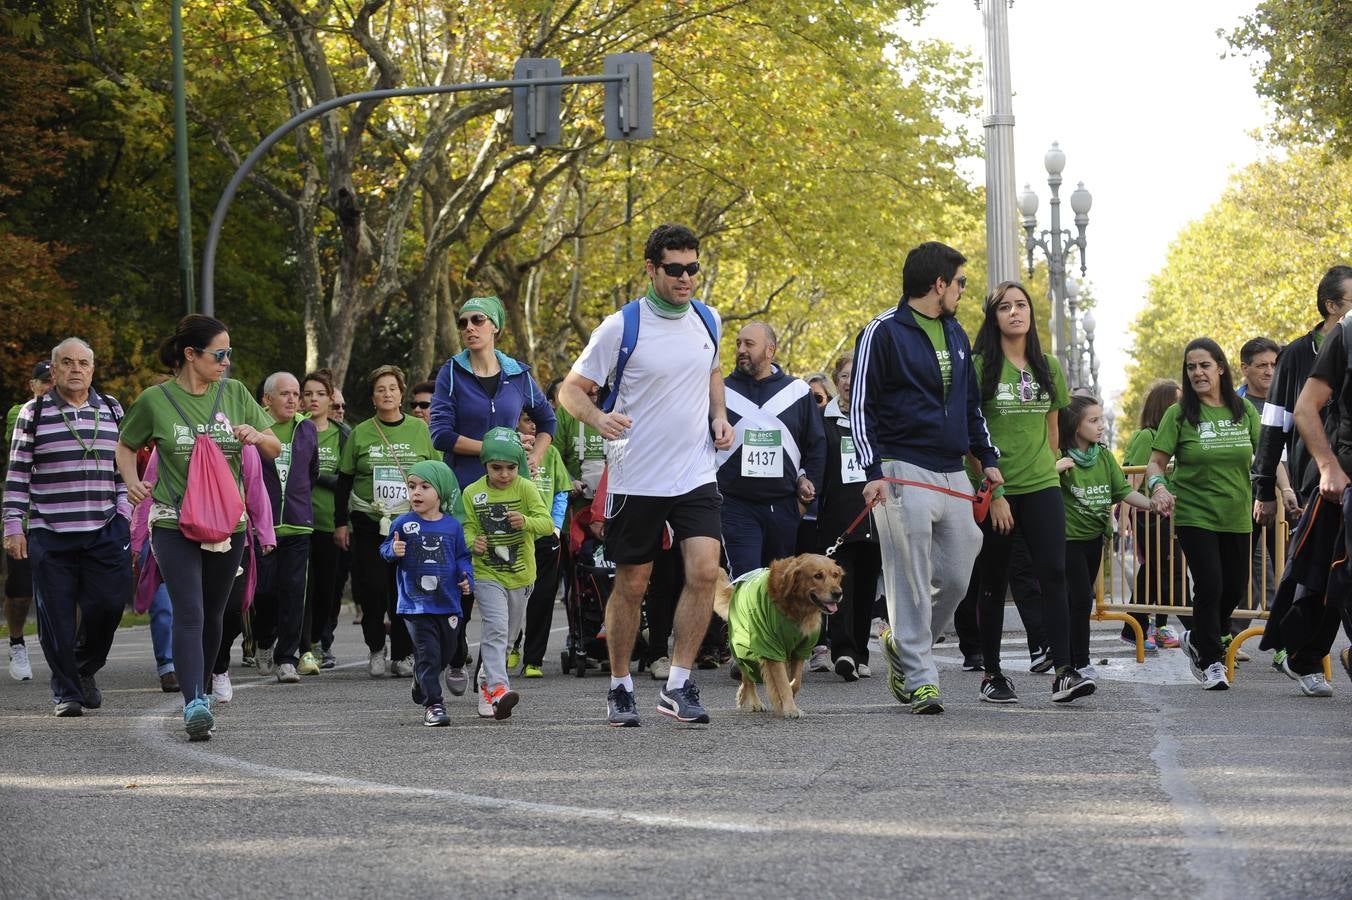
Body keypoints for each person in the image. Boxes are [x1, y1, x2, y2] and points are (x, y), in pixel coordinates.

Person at [559, 222, 733, 727]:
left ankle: (678, 683)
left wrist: (719, 417)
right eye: (674, 270)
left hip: (697, 471)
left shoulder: (708, 319)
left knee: (704, 572)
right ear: (652, 269)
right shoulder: (621, 326)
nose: (685, 279)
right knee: (632, 584)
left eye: (693, 269)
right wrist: (598, 418)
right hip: (637, 475)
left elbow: (712, 371)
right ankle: (619, 686)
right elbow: (571, 390)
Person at [850, 241, 1004, 715]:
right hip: (901, 469)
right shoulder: (882, 331)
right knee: (909, 577)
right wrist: (873, 471)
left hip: (952, 469)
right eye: (959, 282)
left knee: (959, 573)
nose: (962, 291)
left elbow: (970, 404)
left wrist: (986, 454)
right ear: (939, 283)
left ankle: (902, 640)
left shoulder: (957, 332)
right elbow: (861, 406)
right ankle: (920, 678)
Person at [116, 315, 280, 740]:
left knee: (215, 613)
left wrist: (255, 436)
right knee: (188, 609)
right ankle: (194, 703)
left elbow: (275, 445)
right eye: (219, 354)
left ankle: (202, 690)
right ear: (191, 354)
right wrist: (133, 482)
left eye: (229, 353)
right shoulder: (155, 399)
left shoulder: (237, 393)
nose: (226, 361)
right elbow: (126, 445)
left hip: (230, 522)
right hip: (172, 520)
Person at [966, 281, 1089, 706]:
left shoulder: (1048, 366)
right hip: (996, 490)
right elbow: (970, 436)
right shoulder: (979, 366)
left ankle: (1064, 671)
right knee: (994, 582)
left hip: (1042, 485)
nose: (1015, 313)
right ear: (993, 316)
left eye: (1021, 305)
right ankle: (992, 674)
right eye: (1005, 307)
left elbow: (1053, 430)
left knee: (1054, 574)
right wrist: (992, 490)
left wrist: (1044, 470)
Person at [429, 294, 556, 685]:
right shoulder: (451, 373)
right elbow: (440, 434)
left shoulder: (518, 374)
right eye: (463, 321)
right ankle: (455, 655)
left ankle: (492, 670)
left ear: (495, 327)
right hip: (464, 492)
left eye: (478, 320)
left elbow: (547, 419)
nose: (469, 327)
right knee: (462, 579)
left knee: (508, 588)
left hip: (510, 495)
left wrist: (534, 454)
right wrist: (494, 448)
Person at [3, 339, 131, 717]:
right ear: (54, 369)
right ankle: (67, 693)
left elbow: (123, 466)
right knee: (56, 617)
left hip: (106, 527)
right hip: (49, 531)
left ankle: (83, 667)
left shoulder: (111, 409)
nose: (76, 369)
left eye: (84, 363)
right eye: (67, 363)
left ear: (93, 369)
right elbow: (18, 472)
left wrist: (124, 509)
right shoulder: (34, 412)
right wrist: (13, 525)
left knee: (108, 607)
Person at [1148, 338, 1260, 691]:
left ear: (1220, 368)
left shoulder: (1243, 411)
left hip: (1237, 513)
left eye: (1204, 365)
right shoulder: (1178, 414)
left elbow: (1268, 457)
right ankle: (1211, 660)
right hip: (1195, 513)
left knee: (1233, 589)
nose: (1197, 372)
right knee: (1209, 584)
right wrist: (1159, 487)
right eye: (1191, 367)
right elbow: (1155, 463)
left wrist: (1283, 490)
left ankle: (1197, 635)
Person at [714, 322, 825, 664]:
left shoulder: (796, 392)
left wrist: (807, 484)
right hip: (736, 503)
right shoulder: (721, 393)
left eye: (749, 343)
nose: (741, 350)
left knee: (781, 584)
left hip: (783, 505)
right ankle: (744, 653)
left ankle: (776, 649)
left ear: (770, 350)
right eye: (737, 344)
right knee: (745, 579)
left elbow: (816, 444)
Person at [334, 365, 438, 679]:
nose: (387, 394)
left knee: (405, 589)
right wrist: (341, 524)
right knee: (373, 588)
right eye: (381, 389)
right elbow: (344, 481)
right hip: (370, 523)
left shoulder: (420, 430)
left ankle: (404, 653)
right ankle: (376, 648)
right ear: (373, 397)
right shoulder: (360, 432)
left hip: (411, 525)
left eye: (392, 388)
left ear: (401, 393)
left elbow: (435, 474)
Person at [1056, 394, 1153, 680]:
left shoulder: (1104, 456)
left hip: (1095, 538)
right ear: (1075, 425)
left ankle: (1073, 657)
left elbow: (1122, 491)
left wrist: (1152, 503)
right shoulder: (1059, 455)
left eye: (1101, 420)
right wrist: (1055, 468)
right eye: (1093, 420)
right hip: (1068, 539)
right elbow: (1038, 483)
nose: (1100, 426)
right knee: (1081, 599)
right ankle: (1079, 661)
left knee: (1080, 600)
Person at [458, 428, 552, 719]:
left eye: (511, 468)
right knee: (496, 630)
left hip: (522, 575)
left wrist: (525, 520)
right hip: (487, 573)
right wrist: (474, 541)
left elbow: (546, 524)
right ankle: (499, 690)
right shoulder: (473, 493)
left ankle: (487, 684)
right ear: (485, 464)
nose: (504, 474)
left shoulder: (525, 488)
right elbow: (466, 528)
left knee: (507, 639)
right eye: (496, 467)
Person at [1253, 266, 1352, 516]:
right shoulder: (1294, 355)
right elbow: (1273, 424)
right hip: (1316, 482)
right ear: (1332, 306)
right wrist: (1264, 489)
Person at [381, 460, 473, 726]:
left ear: (441, 492)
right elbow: (386, 548)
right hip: (416, 605)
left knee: (445, 654)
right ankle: (434, 704)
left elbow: (462, 558)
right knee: (429, 654)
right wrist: (392, 551)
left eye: (424, 486)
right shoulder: (403, 522)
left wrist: (467, 579)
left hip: (448, 603)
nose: (416, 492)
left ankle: (422, 678)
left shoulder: (452, 526)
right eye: (411, 486)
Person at [248, 372, 319, 682]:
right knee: (263, 591)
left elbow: (311, 470)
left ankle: (287, 658)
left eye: (295, 393)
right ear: (267, 399)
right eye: (284, 394)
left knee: (293, 592)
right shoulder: (252, 429)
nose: (293, 399)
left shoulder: (306, 428)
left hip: (297, 523)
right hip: (262, 527)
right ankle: (263, 641)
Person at [816, 352, 879, 681]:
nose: (850, 382)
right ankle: (843, 652)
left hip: (874, 516)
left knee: (867, 587)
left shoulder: (878, 419)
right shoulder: (822, 420)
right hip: (837, 516)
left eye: (856, 376)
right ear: (836, 380)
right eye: (843, 376)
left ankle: (861, 652)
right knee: (840, 585)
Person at [1121, 379, 1186, 649]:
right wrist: (1125, 515)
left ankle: (1155, 626)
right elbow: (1132, 479)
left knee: (1164, 569)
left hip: (1167, 514)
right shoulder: (1147, 436)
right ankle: (1135, 626)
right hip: (1148, 514)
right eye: (1178, 402)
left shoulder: (1169, 439)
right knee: (1162, 569)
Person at [3, 360, 53, 682]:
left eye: (53, 381)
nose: (49, 387)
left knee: (71, 591)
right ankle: (17, 642)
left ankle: (69, 648)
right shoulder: (21, 412)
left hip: (60, 517)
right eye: (43, 382)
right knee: (20, 590)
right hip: (26, 516)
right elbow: (20, 454)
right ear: (31, 384)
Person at [515, 410, 570, 678]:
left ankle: (533, 658)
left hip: (545, 535)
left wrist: (557, 527)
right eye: (527, 419)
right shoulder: (507, 451)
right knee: (513, 597)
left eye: (538, 420)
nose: (533, 425)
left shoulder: (553, 454)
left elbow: (561, 492)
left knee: (543, 596)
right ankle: (511, 643)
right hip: (513, 535)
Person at [301, 369, 345, 668]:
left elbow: (347, 479)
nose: (313, 399)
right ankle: (301, 644)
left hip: (331, 524)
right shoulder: (295, 428)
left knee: (328, 589)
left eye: (320, 394)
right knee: (302, 587)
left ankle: (321, 641)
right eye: (308, 394)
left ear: (331, 399)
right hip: (298, 522)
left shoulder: (343, 434)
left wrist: (315, 475)